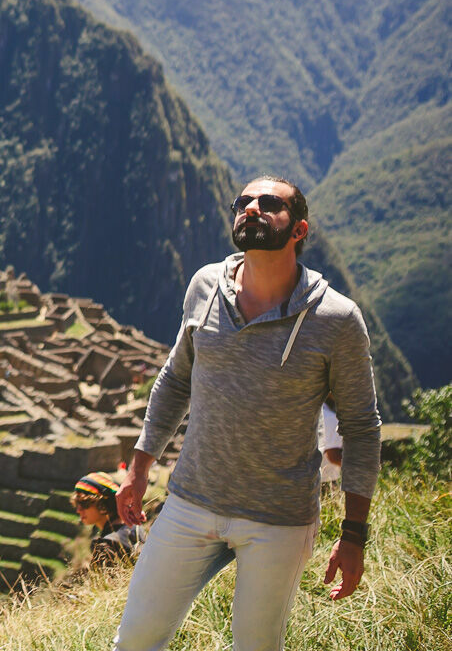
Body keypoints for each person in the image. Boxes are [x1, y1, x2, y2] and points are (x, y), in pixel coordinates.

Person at [111, 176, 380, 651]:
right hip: (191, 501)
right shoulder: (205, 286)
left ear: (299, 230)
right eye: (244, 202)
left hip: (278, 519)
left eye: (269, 203)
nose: (251, 208)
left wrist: (353, 533)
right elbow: (176, 378)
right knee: (134, 641)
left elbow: (360, 427)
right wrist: (139, 465)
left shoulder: (336, 319)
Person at [71, 471, 144, 566]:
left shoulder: (106, 545)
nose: (78, 510)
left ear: (102, 504)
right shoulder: (135, 527)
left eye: (84, 504)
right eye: (77, 503)